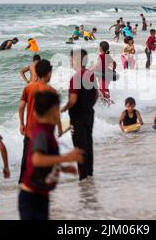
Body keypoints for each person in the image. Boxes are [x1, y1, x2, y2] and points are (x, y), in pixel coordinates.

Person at [19, 92, 83, 220]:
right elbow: (36, 160)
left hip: (40, 194)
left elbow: (46, 158)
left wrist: (63, 168)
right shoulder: (42, 133)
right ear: (54, 111)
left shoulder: (46, 131)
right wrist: (66, 158)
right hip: (32, 197)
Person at [19, 59, 60, 183]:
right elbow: (55, 114)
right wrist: (60, 128)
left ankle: (23, 183)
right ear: (48, 73)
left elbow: (21, 107)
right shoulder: (52, 91)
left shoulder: (28, 88)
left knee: (26, 158)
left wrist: (21, 124)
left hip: (30, 131)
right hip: (44, 133)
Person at [61, 49, 98, 180]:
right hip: (89, 114)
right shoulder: (91, 75)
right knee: (88, 144)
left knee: (79, 146)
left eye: (71, 59)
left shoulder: (76, 77)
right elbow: (96, 95)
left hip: (77, 117)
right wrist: (88, 106)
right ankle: (90, 173)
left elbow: (73, 100)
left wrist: (64, 108)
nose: (70, 62)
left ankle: (83, 177)